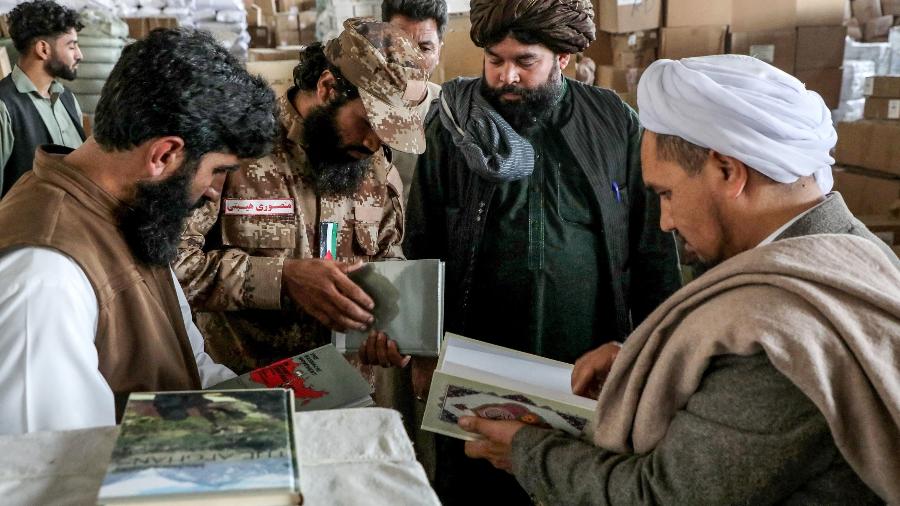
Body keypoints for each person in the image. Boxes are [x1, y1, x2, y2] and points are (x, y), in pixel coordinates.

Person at [460, 55, 900, 505]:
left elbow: (658, 496)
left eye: (667, 194)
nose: (666, 221)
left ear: (727, 171)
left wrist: (526, 452)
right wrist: (651, 361)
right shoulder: (855, 249)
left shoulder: (780, 337)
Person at [373, 0, 681, 502]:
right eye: (494, 61)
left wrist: (656, 360)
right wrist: (421, 347)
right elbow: (420, 242)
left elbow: (652, 250)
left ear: (561, 57)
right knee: (477, 486)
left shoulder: (614, 123)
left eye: (525, 62)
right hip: (477, 357)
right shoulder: (455, 123)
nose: (506, 76)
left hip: (588, 362)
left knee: (579, 486)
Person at [0, 28, 278, 435]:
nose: (217, 192)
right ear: (164, 154)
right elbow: (51, 466)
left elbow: (188, 369)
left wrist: (269, 415)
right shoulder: (44, 276)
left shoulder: (135, 212)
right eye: (218, 171)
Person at [173, 18, 429, 376]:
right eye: (369, 123)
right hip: (250, 390)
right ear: (328, 88)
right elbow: (174, 269)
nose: (375, 143)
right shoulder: (236, 149)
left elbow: (387, 256)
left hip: (347, 390)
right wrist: (283, 278)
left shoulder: (375, 165)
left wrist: (392, 326)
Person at [0, 0, 86, 196]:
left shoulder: (68, 99)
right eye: (72, 46)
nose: (79, 54)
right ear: (43, 49)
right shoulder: (4, 106)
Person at [382, 0, 446, 201]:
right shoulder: (355, 109)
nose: (410, 60)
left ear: (438, 51)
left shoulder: (453, 111)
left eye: (424, 48)